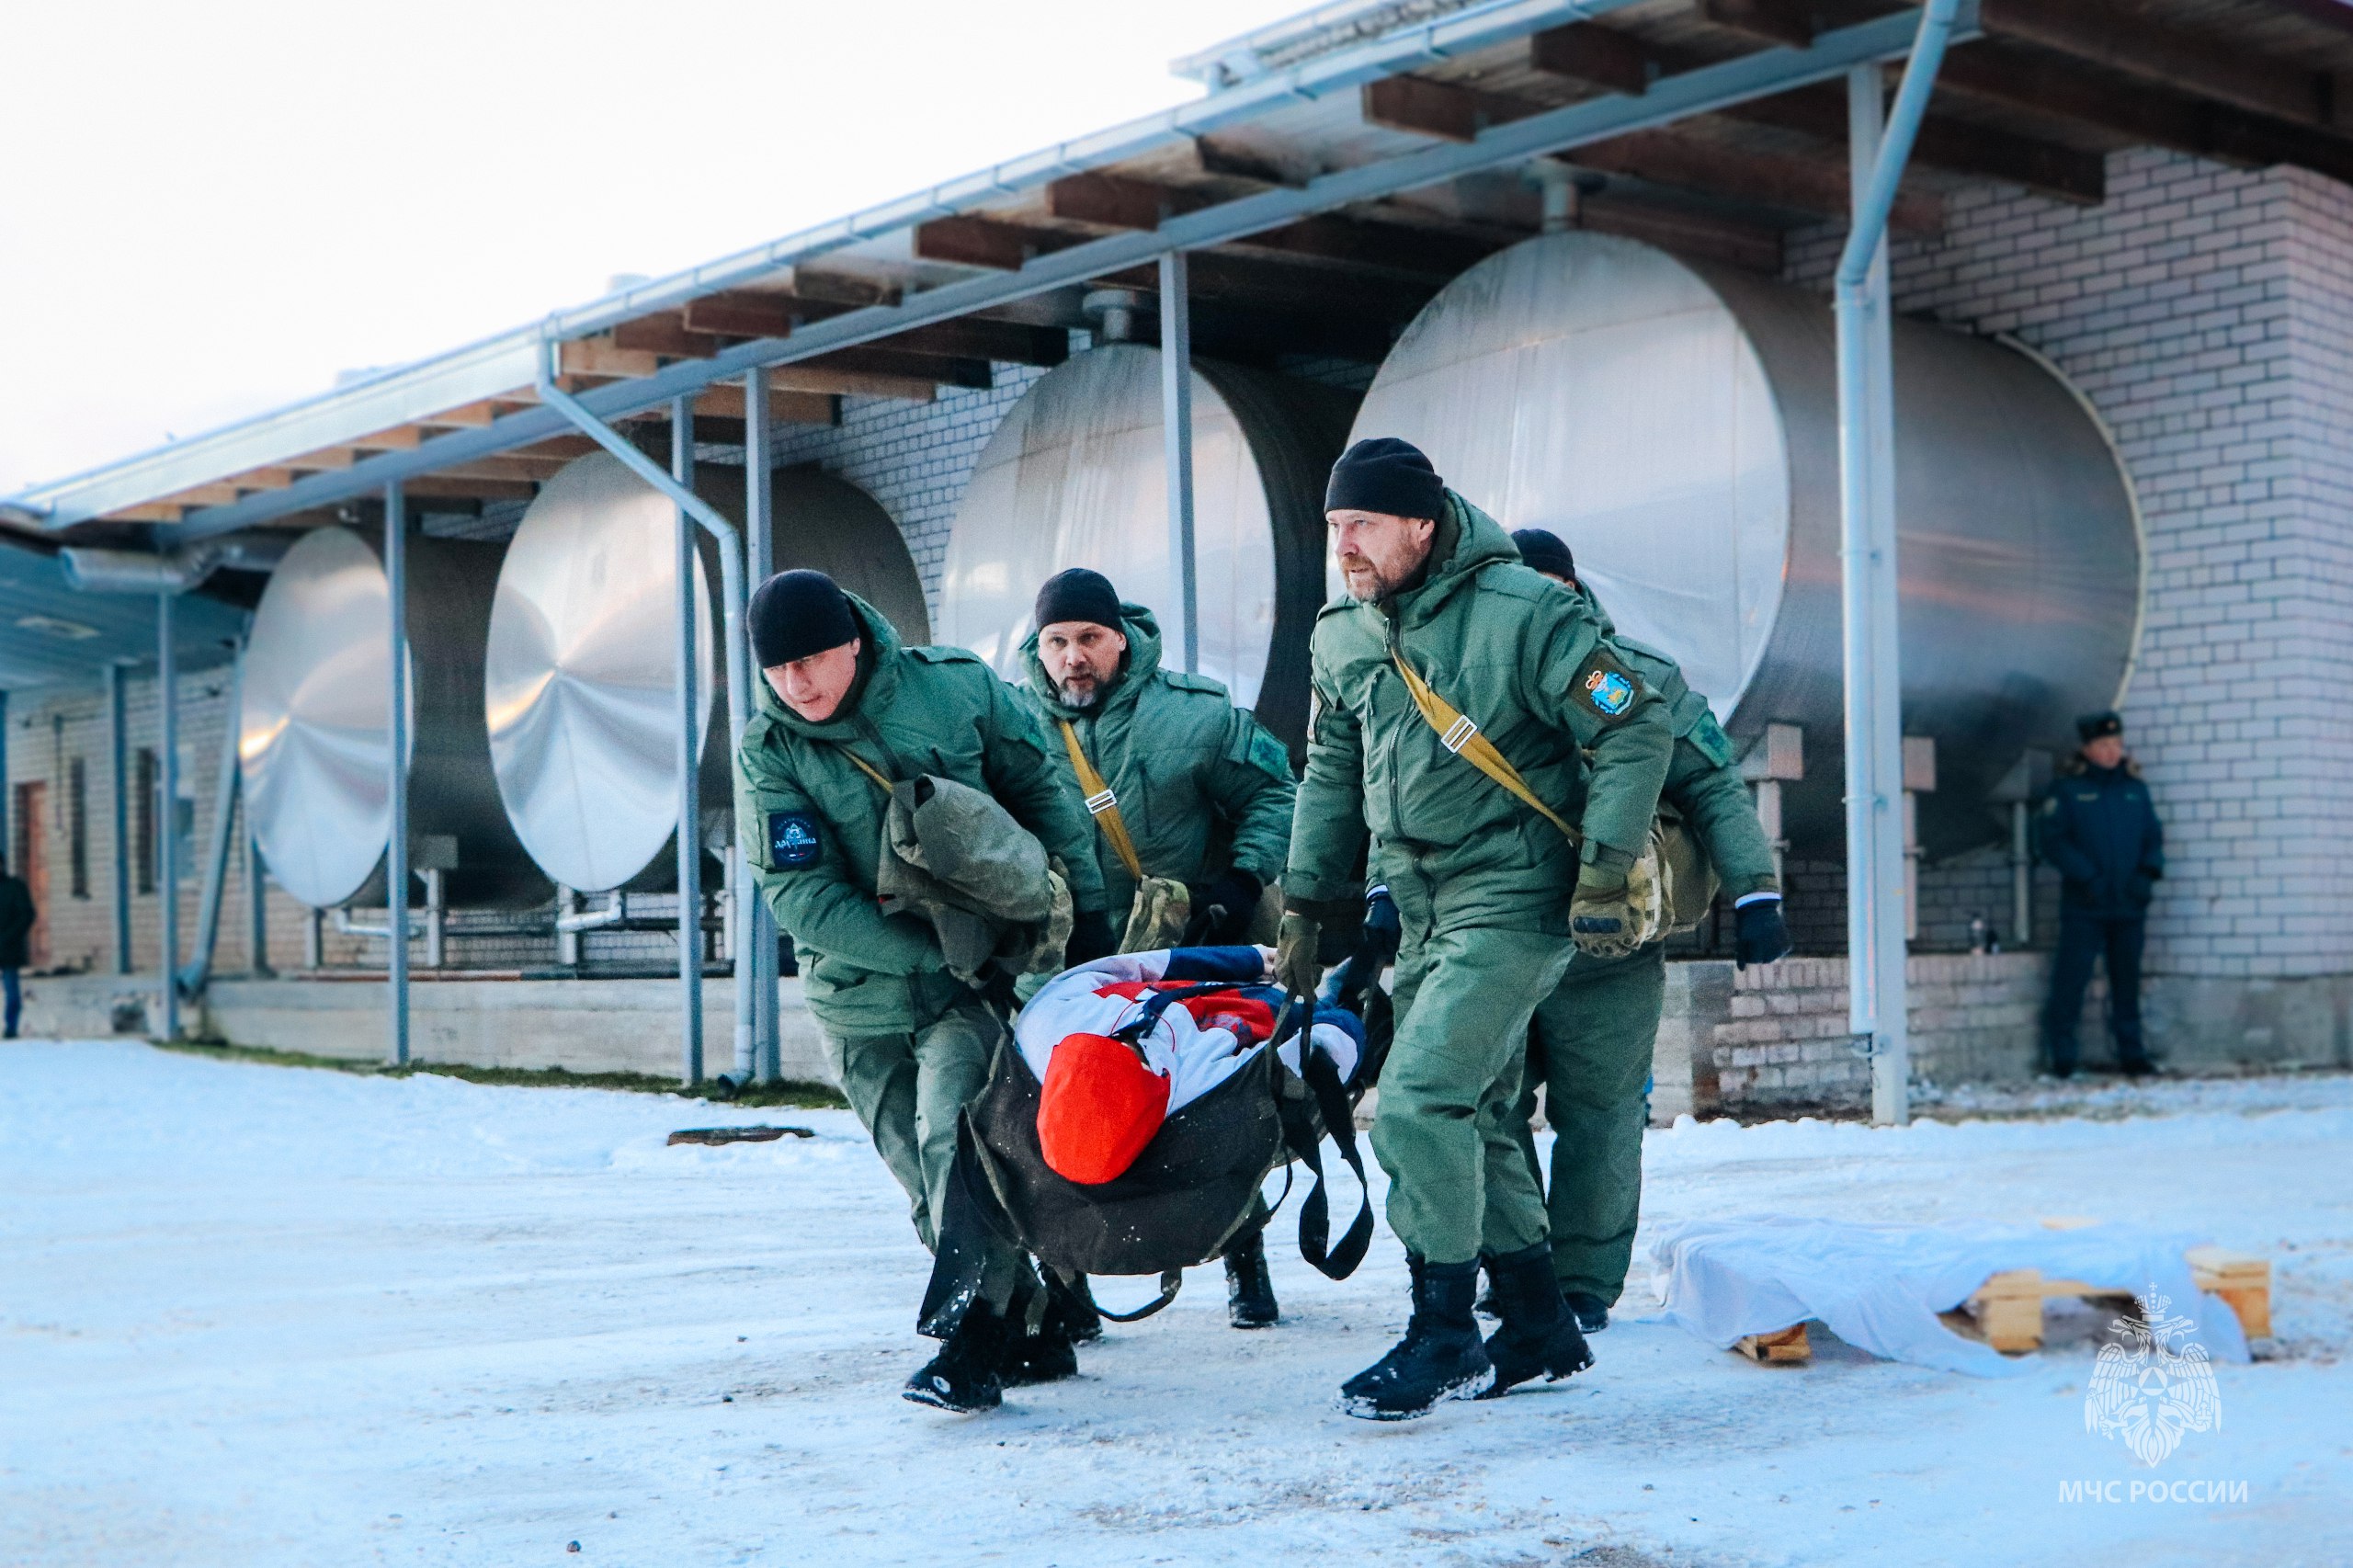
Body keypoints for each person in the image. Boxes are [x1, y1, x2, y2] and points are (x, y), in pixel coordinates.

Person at [1278, 439, 1674, 1421]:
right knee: (1483, 1109)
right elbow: (1331, 768)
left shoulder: (1529, 611)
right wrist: (1309, 906)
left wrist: (1603, 868)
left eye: (1364, 523)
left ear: (1422, 523)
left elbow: (1633, 723)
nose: (1344, 544)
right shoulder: (1342, 634)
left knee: (1418, 1101)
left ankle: (1445, 1330)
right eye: (1334, 525)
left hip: (1515, 894)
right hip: (1420, 906)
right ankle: (1537, 1322)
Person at [733, 569, 1119, 1413]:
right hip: (860, 997)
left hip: (969, 989)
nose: (797, 684)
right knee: (920, 1178)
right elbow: (802, 896)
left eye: (811, 660)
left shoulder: (954, 689)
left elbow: (1041, 792)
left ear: (853, 642)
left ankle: (971, 1343)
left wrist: (1087, 915)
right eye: (778, 669)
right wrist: (937, 956)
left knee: (956, 1144)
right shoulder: (769, 750)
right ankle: (1035, 1325)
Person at [1504, 528, 1790, 1334]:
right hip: (1496, 932)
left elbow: (1711, 784)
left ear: (1572, 589)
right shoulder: (1466, 678)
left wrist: (1756, 892)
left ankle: (1584, 1283)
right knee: (1488, 1105)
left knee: (1600, 1112)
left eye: (1550, 589)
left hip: (1611, 940)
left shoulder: (1630, 677)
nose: (1536, 606)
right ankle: (1518, 1266)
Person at [1017, 566, 1300, 1328]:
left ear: (1121, 638)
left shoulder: (1194, 714)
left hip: (1186, 948)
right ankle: (1067, 1284)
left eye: (1089, 638)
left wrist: (1239, 881)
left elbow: (1274, 793)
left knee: (1213, 1106)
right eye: (1056, 641)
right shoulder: (1011, 724)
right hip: (1069, 961)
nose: (1073, 656)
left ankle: (1244, 1252)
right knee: (1060, 1114)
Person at [2037, 710, 2163, 1077]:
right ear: (2087, 749)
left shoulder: (2135, 790)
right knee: (2071, 980)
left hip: (2128, 905)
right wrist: (2087, 878)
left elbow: (2153, 838)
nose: (2112, 752)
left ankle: (2132, 1054)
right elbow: (2053, 841)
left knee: (2127, 982)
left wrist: (2146, 875)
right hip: (2085, 906)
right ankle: (2063, 1056)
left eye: (2116, 744)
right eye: (2104, 745)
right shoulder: (2068, 791)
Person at [0, 852, 33, 1039]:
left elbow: (27, 914)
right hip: (8, 946)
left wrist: (9, 936)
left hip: (9, 949)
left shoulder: (15, 887)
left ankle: (11, 1028)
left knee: (12, 994)